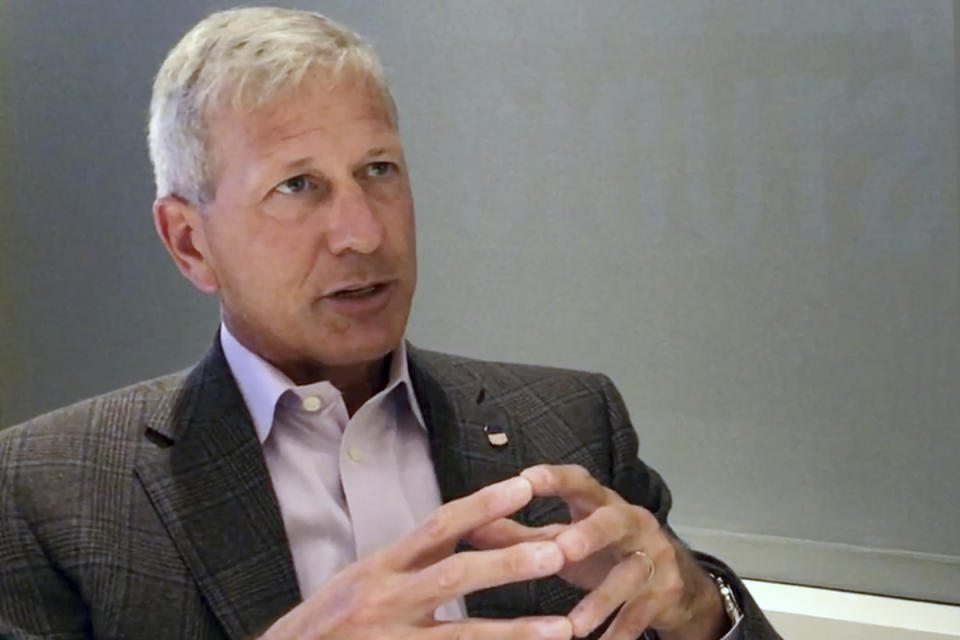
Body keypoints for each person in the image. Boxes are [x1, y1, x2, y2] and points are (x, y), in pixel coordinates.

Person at [0, 8, 780, 640]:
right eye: (297, 185)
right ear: (190, 242)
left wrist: (702, 615)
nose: (363, 234)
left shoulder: (570, 426)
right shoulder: (52, 493)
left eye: (379, 171)